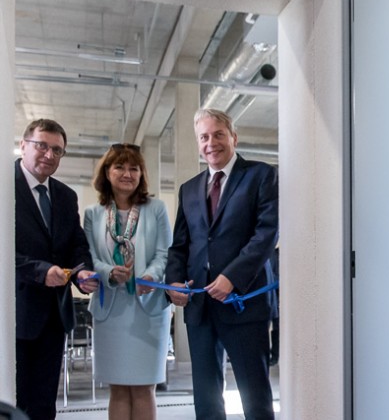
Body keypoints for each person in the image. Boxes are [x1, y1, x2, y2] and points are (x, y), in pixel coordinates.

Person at [165, 108, 278, 420]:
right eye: (204, 137)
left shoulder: (261, 175)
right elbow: (180, 245)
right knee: (206, 400)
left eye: (218, 135)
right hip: (200, 307)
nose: (211, 143)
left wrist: (232, 277)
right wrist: (173, 282)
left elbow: (266, 234)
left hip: (244, 304)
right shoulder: (189, 189)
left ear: (233, 137)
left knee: (255, 397)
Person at [15, 118, 98, 420]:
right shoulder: (3, 185)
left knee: (44, 402)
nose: (49, 155)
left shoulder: (65, 195)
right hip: (13, 313)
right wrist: (41, 271)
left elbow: (76, 244)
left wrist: (81, 272)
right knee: (13, 402)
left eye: (57, 150)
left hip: (53, 316)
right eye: (42, 146)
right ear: (23, 145)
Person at [83, 143, 172, 420]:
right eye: (119, 167)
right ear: (106, 172)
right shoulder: (93, 214)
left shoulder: (156, 209)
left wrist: (151, 276)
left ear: (141, 174)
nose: (127, 174)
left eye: (134, 168)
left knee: (145, 388)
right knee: (119, 388)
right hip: (110, 309)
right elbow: (89, 257)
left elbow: (164, 253)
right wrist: (109, 272)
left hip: (148, 308)